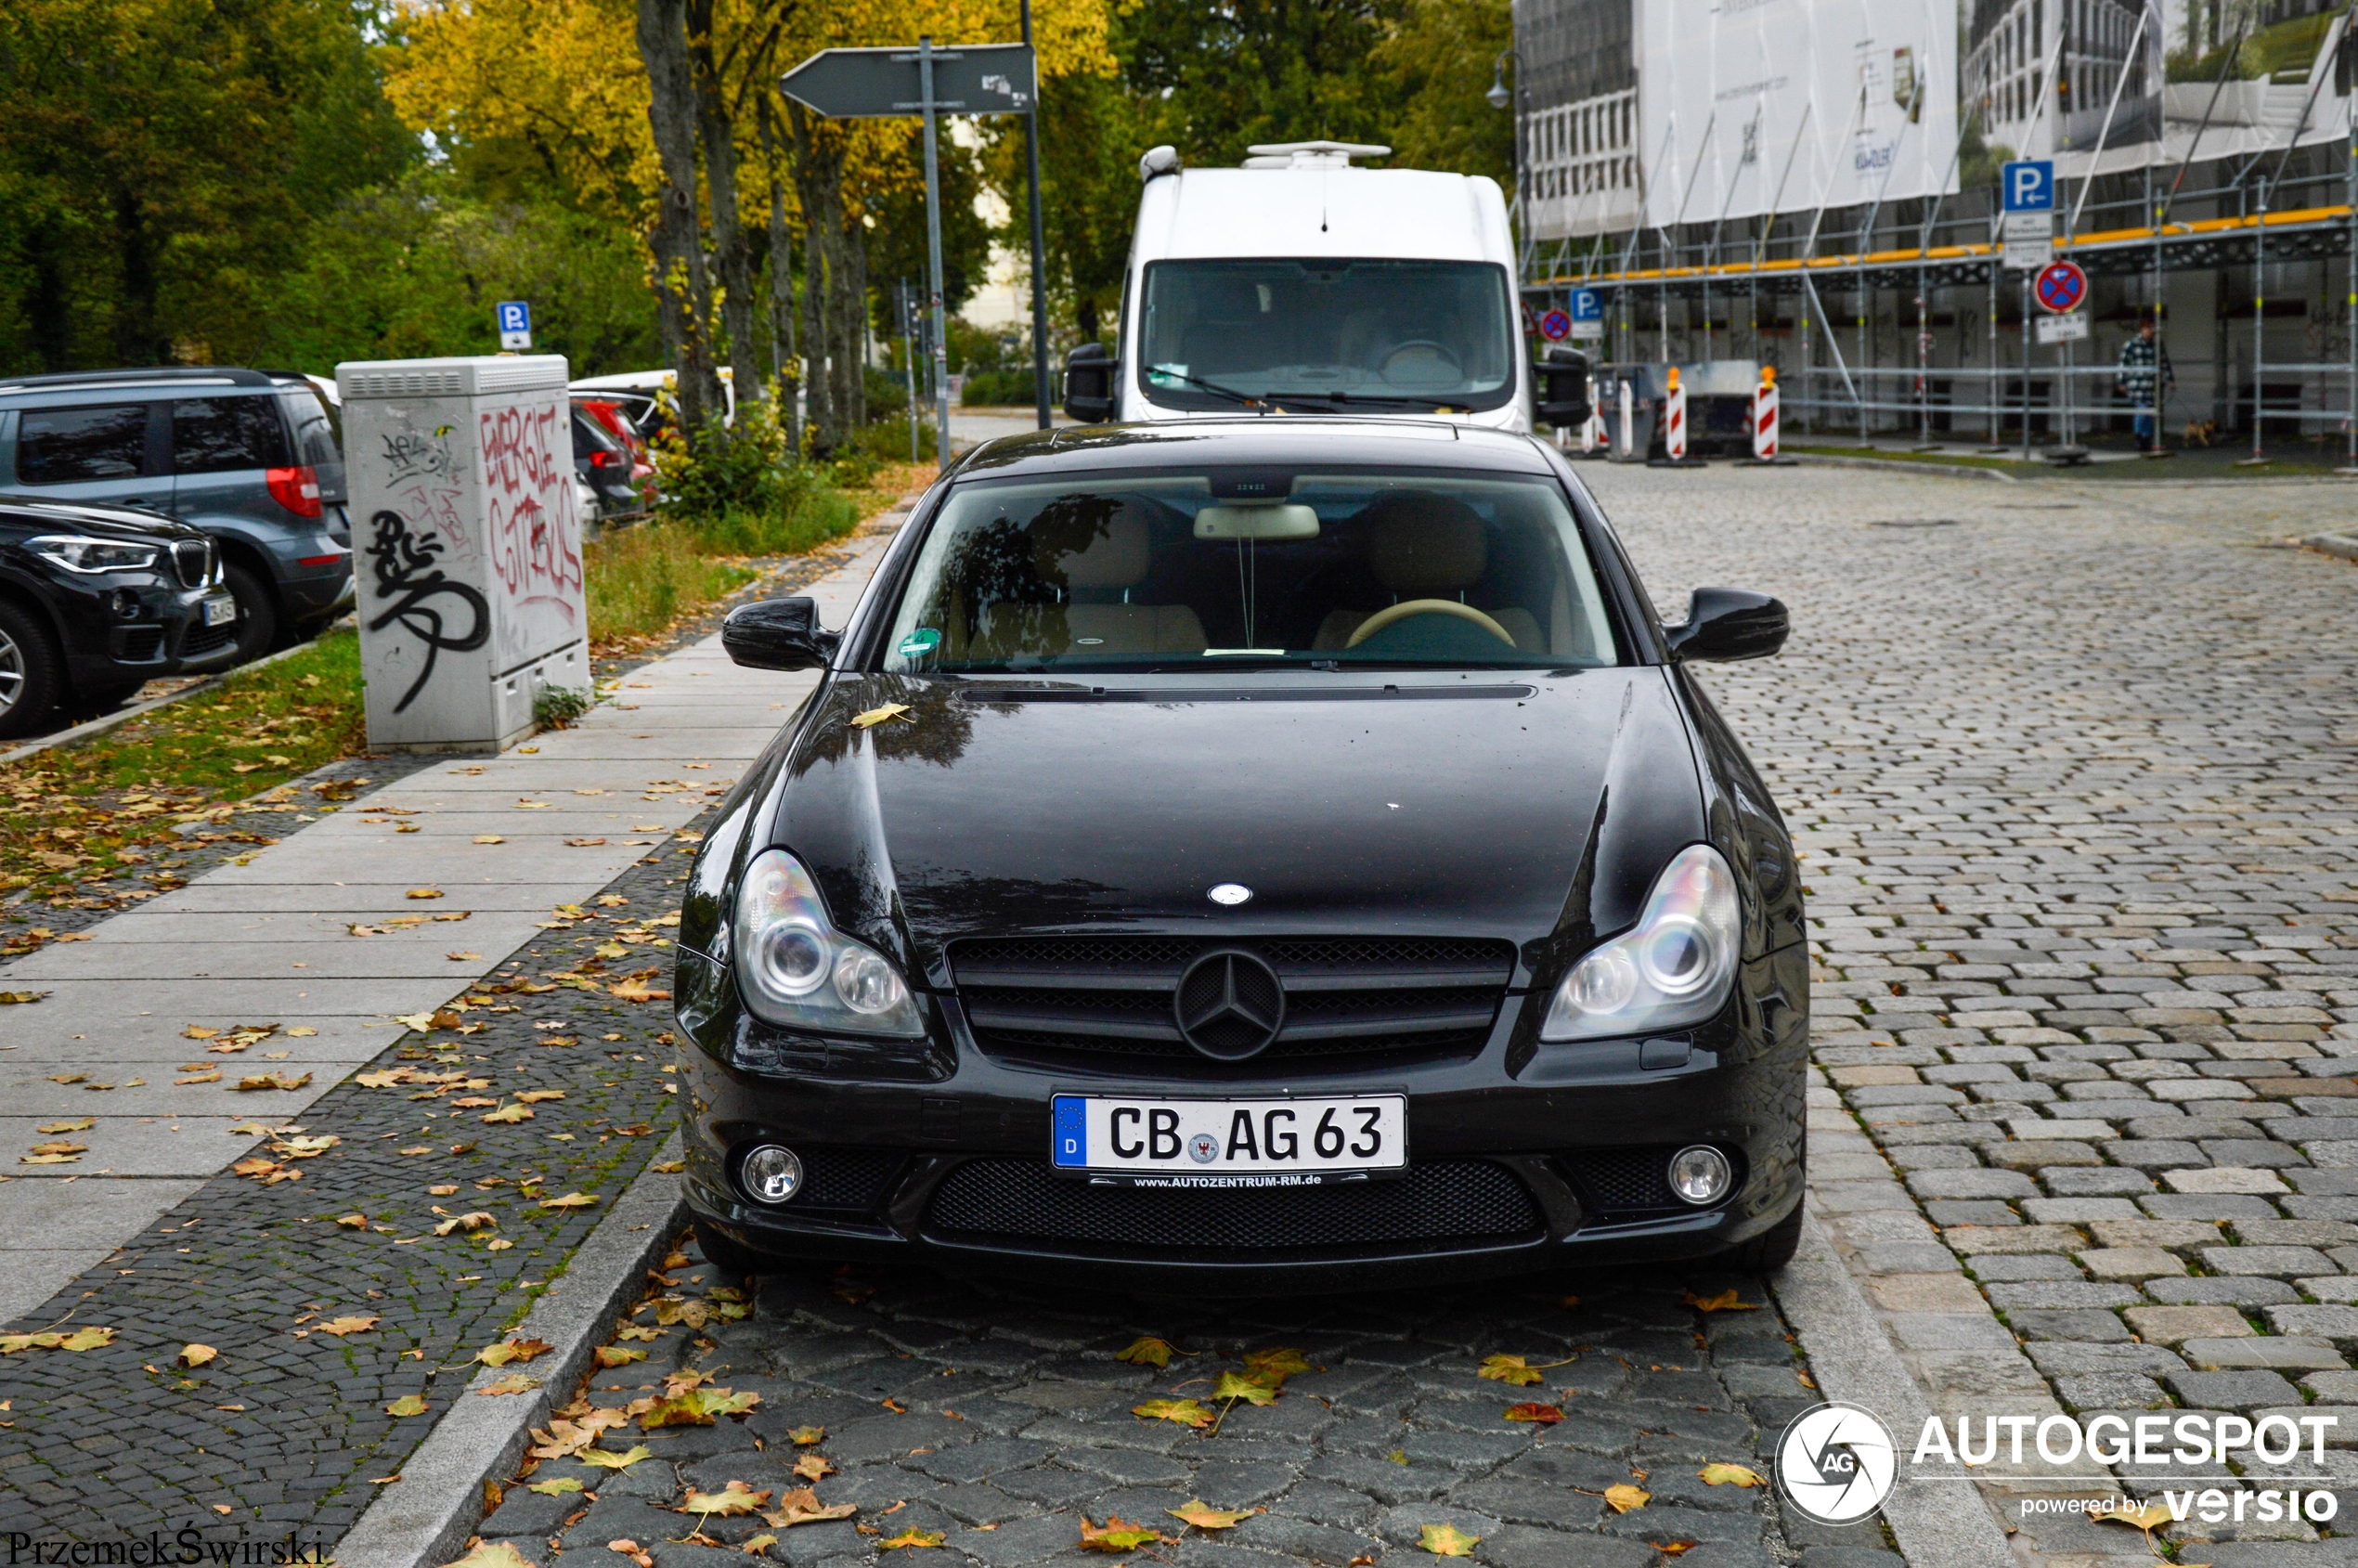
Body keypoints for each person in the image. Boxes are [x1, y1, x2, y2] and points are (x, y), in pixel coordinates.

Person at [2116, 313, 2175, 454]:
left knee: (2150, 413)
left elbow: (2164, 363)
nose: (2150, 331)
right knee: (2142, 410)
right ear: (2141, 329)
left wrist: (2170, 380)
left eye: (2152, 329)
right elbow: (2123, 364)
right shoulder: (2131, 345)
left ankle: (2146, 439)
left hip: (2152, 386)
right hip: (2137, 385)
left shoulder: (2157, 345)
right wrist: (2122, 381)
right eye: (2147, 328)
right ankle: (2139, 437)